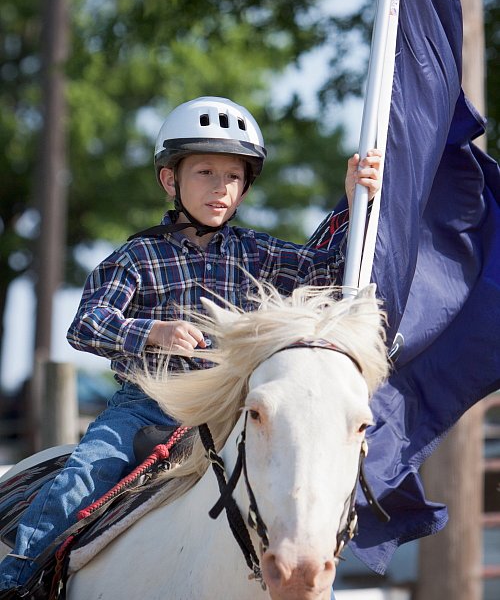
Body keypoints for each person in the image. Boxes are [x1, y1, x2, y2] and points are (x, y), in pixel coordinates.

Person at [0, 96, 381, 596]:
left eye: (233, 176)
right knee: (84, 477)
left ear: (245, 187)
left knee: (296, 498)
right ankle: (15, 579)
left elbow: (325, 272)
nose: (220, 188)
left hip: (228, 410)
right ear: (170, 180)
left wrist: (354, 203)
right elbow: (86, 324)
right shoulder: (139, 255)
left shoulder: (260, 254)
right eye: (204, 172)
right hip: (147, 406)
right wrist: (152, 332)